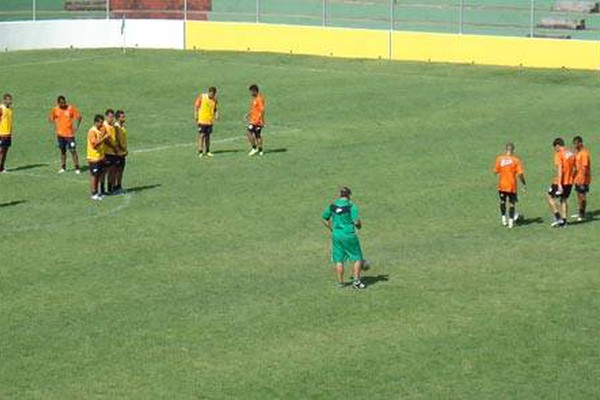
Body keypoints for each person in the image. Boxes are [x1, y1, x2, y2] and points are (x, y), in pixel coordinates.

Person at [321, 187, 367, 289]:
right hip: (348, 235)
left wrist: (331, 228)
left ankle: (341, 283)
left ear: (339, 194)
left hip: (336, 235)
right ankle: (356, 282)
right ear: (349, 194)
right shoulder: (351, 206)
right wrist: (359, 225)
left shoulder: (332, 206)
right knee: (357, 258)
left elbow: (324, 218)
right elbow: (356, 222)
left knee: (339, 260)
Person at [494, 142, 527, 228]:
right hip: (512, 185)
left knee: (502, 201)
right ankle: (511, 223)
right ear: (513, 150)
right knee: (512, 203)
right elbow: (520, 174)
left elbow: (495, 171)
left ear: (505, 150)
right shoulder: (516, 160)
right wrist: (523, 183)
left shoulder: (499, 159)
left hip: (502, 185)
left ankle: (503, 219)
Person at [48, 95, 82, 174]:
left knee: (73, 150)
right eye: (62, 103)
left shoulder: (70, 108)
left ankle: (77, 167)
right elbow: (50, 118)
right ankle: (63, 167)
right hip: (60, 135)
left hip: (70, 135)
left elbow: (79, 117)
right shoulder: (55, 109)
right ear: (58, 103)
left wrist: (76, 127)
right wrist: (55, 127)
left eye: (64, 102)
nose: (63, 104)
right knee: (63, 151)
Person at [547, 137, 576, 227]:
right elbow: (576, 168)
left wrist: (559, 183)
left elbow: (559, 168)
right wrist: (572, 178)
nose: (555, 150)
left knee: (549, 196)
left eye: (555, 148)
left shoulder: (559, 154)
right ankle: (564, 222)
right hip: (569, 181)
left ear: (558, 145)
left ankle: (558, 217)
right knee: (563, 200)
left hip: (560, 182)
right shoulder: (571, 153)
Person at [86, 115, 108, 200]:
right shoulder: (92, 131)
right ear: (96, 122)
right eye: (101, 123)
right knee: (94, 175)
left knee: (98, 175)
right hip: (93, 158)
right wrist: (104, 138)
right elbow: (94, 145)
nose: (102, 124)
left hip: (99, 157)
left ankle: (97, 192)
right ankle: (93, 193)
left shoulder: (99, 130)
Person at [194, 87, 218, 158]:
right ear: (209, 92)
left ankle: (207, 151)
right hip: (202, 120)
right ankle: (200, 151)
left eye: (213, 94)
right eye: (211, 94)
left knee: (208, 136)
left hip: (209, 121)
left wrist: (216, 115)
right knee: (202, 135)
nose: (212, 95)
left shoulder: (215, 100)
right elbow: (196, 106)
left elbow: (215, 109)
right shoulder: (202, 97)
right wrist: (196, 115)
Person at [573, 135, 592, 222]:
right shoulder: (578, 152)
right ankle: (580, 211)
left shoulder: (584, 153)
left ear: (580, 143)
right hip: (577, 178)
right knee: (578, 196)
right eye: (574, 144)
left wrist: (582, 180)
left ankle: (582, 214)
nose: (575, 146)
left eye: (576, 144)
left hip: (583, 179)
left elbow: (584, 168)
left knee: (582, 196)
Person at [246, 84, 266, 156]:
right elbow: (254, 109)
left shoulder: (259, 99)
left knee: (249, 133)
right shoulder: (255, 99)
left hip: (257, 121)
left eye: (251, 92)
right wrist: (248, 114)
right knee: (257, 135)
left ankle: (254, 148)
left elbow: (262, 110)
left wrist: (261, 120)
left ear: (255, 91)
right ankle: (260, 151)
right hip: (253, 120)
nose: (251, 93)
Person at [101, 109, 118, 194]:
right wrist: (113, 146)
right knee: (104, 171)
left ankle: (110, 188)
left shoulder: (112, 125)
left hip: (113, 152)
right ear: (106, 116)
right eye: (110, 117)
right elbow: (104, 139)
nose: (112, 118)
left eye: (113, 117)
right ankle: (102, 189)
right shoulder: (104, 125)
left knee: (112, 171)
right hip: (106, 152)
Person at [114, 110, 128, 194]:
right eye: (122, 117)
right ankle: (115, 187)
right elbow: (117, 140)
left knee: (121, 170)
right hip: (118, 152)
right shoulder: (116, 127)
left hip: (122, 151)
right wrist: (122, 150)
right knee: (117, 170)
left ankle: (119, 186)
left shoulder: (122, 126)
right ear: (118, 118)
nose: (124, 118)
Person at [0, 94, 14, 174]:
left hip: (8, 134)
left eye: (11, 100)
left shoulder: (10, 110)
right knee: (1, 151)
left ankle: (1, 167)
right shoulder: (1, 108)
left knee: (5, 152)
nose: (10, 101)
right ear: (4, 100)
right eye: (9, 100)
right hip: (1, 134)